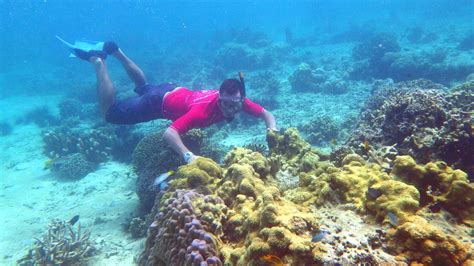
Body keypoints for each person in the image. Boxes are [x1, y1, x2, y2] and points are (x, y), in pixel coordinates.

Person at [73, 42, 278, 163]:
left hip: (171, 89)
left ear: (241, 98)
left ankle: (115, 50)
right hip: (156, 102)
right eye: (225, 103)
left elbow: (266, 113)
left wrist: (272, 131)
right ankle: (98, 61)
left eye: (235, 104)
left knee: (143, 85)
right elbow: (169, 133)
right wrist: (189, 156)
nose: (230, 109)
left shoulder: (240, 101)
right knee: (109, 113)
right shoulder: (201, 113)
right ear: (219, 96)